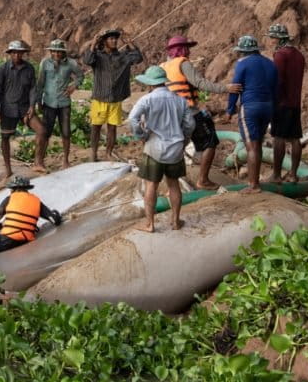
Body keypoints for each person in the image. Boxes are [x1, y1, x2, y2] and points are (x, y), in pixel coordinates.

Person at [127, 65, 197, 233]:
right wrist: (184, 140)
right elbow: (190, 124)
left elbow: (132, 118)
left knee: (151, 185)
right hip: (175, 150)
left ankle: (150, 224)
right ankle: (175, 221)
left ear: (150, 84)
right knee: (174, 185)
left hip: (154, 148)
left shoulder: (147, 99)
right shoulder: (180, 100)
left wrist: (142, 135)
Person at [160, 35, 233, 190]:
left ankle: (172, 185)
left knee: (176, 147)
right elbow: (199, 83)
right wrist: (225, 88)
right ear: (183, 49)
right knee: (210, 142)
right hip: (189, 112)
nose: (189, 52)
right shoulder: (183, 64)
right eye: (187, 48)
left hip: (171, 114)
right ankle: (203, 180)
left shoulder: (163, 66)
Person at [225, 35, 279, 194]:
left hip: (250, 107)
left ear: (243, 51)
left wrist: (229, 110)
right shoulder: (271, 64)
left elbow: (236, 87)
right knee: (258, 143)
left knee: (251, 147)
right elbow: (276, 89)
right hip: (268, 106)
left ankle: (253, 185)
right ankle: (255, 181)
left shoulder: (242, 64)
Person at [82, 28, 143, 162]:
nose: (114, 40)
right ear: (104, 41)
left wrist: (130, 43)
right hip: (100, 98)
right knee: (96, 127)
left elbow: (138, 58)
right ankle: (94, 153)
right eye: (110, 38)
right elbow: (87, 60)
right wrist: (93, 43)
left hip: (115, 98)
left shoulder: (122, 56)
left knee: (112, 128)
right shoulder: (98, 56)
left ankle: (109, 153)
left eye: (115, 38)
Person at [31, 39, 85, 171]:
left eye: (59, 52)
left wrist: (74, 86)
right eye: (54, 51)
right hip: (49, 103)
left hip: (64, 103)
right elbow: (40, 83)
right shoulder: (45, 63)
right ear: (50, 52)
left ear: (63, 52)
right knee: (46, 133)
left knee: (66, 132)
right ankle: (40, 162)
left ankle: (66, 160)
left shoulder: (71, 63)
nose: (57, 54)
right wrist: (38, 101)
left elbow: (80, 76)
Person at [0, 40, 40, 178]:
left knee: (41, 130)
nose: (17, 55)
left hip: (25, 107)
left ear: (23, 54)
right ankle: (8, 168)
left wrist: (32, 106)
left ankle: (38, 162)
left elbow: (32, 88)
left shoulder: (29, 68)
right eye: (14, 53)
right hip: (8, 108)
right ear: (10, 54)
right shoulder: (3, 69)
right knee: (5, 137)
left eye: (19, 53)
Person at [267, 24, 306, 183]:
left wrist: (272, 100)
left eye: (272, 38)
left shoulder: (280, 55)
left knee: (279, 138)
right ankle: (293, 174)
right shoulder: (299, 55)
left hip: (282, 103)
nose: (270, 41)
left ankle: (276, 175)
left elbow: (278, 81)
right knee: (295, 138)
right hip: (295, 103)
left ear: (278, 38)